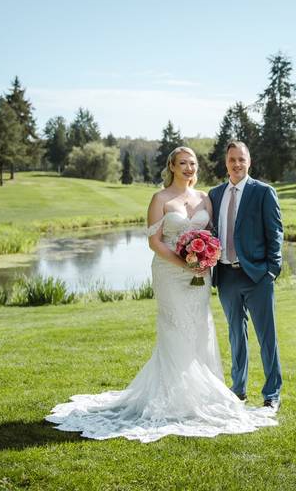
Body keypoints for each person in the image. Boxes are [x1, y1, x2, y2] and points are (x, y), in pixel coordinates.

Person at [46, 146, 276, 442]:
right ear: (172, 166)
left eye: (192, 163)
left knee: (199, 330)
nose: (189, 168)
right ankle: (173, 399)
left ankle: (203, 397)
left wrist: (205, 259)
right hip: (170, 274)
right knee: (175, 329)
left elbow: (215, 236)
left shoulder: (205, 197)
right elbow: (154, 242)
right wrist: (184, 262)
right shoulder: (160, 199)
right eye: (182, 163)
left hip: (200, 276)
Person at [209, 141, 283, 411]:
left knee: (267, 337)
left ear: (249, 161)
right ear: (225, 162)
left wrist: (271, 270)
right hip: (226, 276)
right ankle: (237, 389)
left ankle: (272, 393)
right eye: (232, 160)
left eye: (241, 159)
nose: (237, 164)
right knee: (235, 336)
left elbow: (275, 232)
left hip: (256, 276)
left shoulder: (263, 192)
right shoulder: (215, 194)